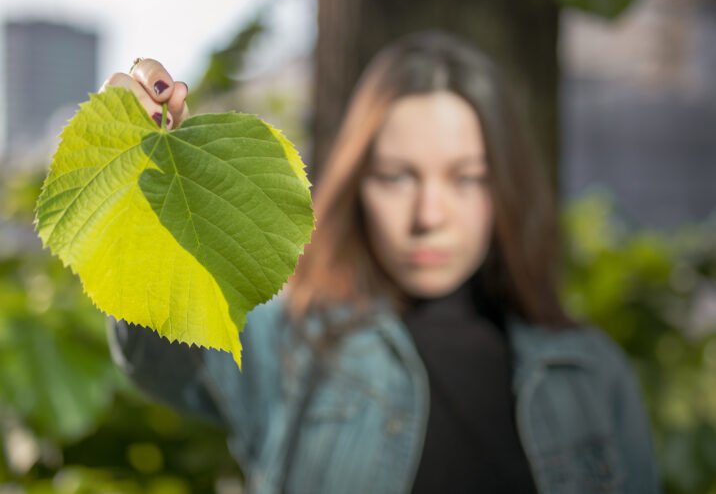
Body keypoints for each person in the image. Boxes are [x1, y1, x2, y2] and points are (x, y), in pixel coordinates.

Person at [102, 31, 661, 493]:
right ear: (357, 184)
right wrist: (143, 192)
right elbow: (159, 348)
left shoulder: (589, 373)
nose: (429, 214)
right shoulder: (288, 342)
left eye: (465, 177)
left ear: (503, 187)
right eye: (398, 176)